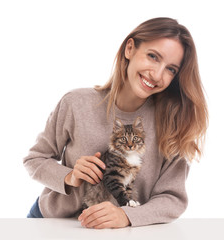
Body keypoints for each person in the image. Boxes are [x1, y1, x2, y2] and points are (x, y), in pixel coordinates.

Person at [23, 17, 208, 229]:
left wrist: (126, 215)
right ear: (130, 48)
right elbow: (34, 159)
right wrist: (69, 176)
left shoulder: (172, 124)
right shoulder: (76, 103)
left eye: (171, 69)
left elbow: (173, 198)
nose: (157, 74)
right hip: (53, 223)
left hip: (121, 231)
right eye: (153, 56)